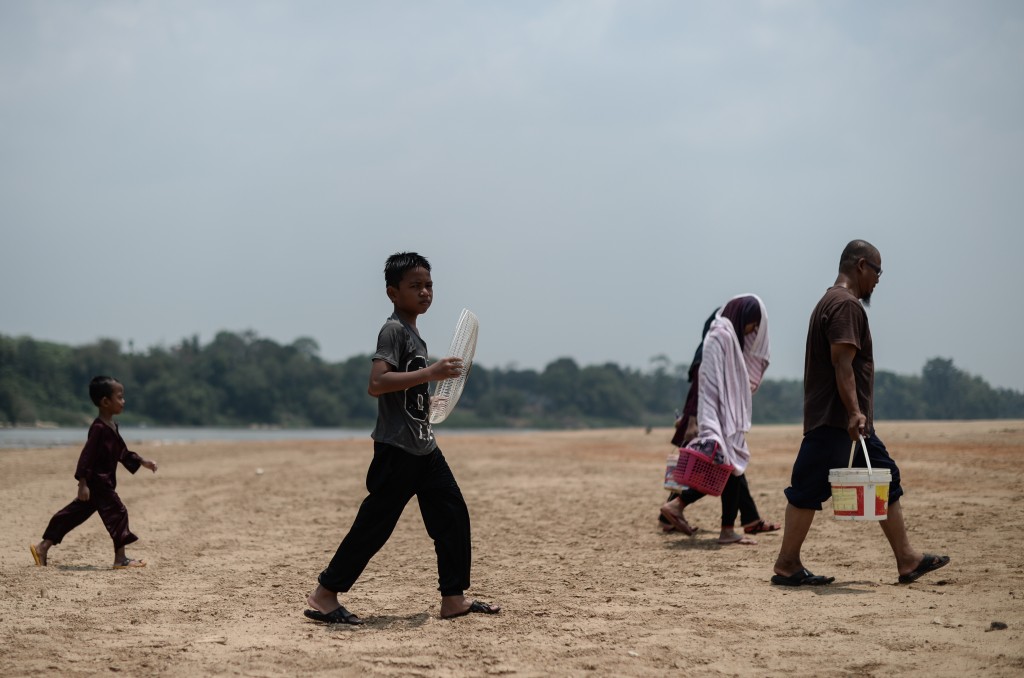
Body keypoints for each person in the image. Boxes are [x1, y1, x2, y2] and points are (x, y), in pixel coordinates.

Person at [304, 252, 500, 625]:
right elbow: (377, 384)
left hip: (423, 447)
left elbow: (406, 395)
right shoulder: (393, 330)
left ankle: (453, 599)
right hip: (398, 450)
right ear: (393, 293)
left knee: (452, 516)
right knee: (374, 526)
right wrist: (431, 372)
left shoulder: (414, 334)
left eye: (428, 285)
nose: (425, 292)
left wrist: (429, 400)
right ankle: (324, 595)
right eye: (415, 286)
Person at [771, 240, 950, 586]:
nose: (879, 281)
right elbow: (843, 364)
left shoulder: (830, 302)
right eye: (878, 272)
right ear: (862, 266)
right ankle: (787, 563)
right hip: (839, 422)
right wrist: (854, 412)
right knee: (807, 488)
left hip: (845, 423)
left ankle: (907, 559)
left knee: (885, 477)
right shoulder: (845, 306)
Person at [660, 295, 780, 545]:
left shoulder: (728, 339)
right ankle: (678, 506)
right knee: (722, 469)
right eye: (753, 323)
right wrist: (695, 419)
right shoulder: (720, 337)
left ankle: (731, 525)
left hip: (722, 417)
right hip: (716, 416)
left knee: (731, 469)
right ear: (743, 316)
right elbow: (707, 381)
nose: (754, 330)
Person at [30, 376, 158, 569]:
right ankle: (120, 560)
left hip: (100, 484)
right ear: (105, 402)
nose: (123, 401)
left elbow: (121, 452)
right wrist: (82, 483)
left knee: (72, 515)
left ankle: (42, 547)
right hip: (99, 483)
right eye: (120, 397)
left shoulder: (111, 426)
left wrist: (143, 461)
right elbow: (86, 456)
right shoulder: (98, 428)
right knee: (119, 512)